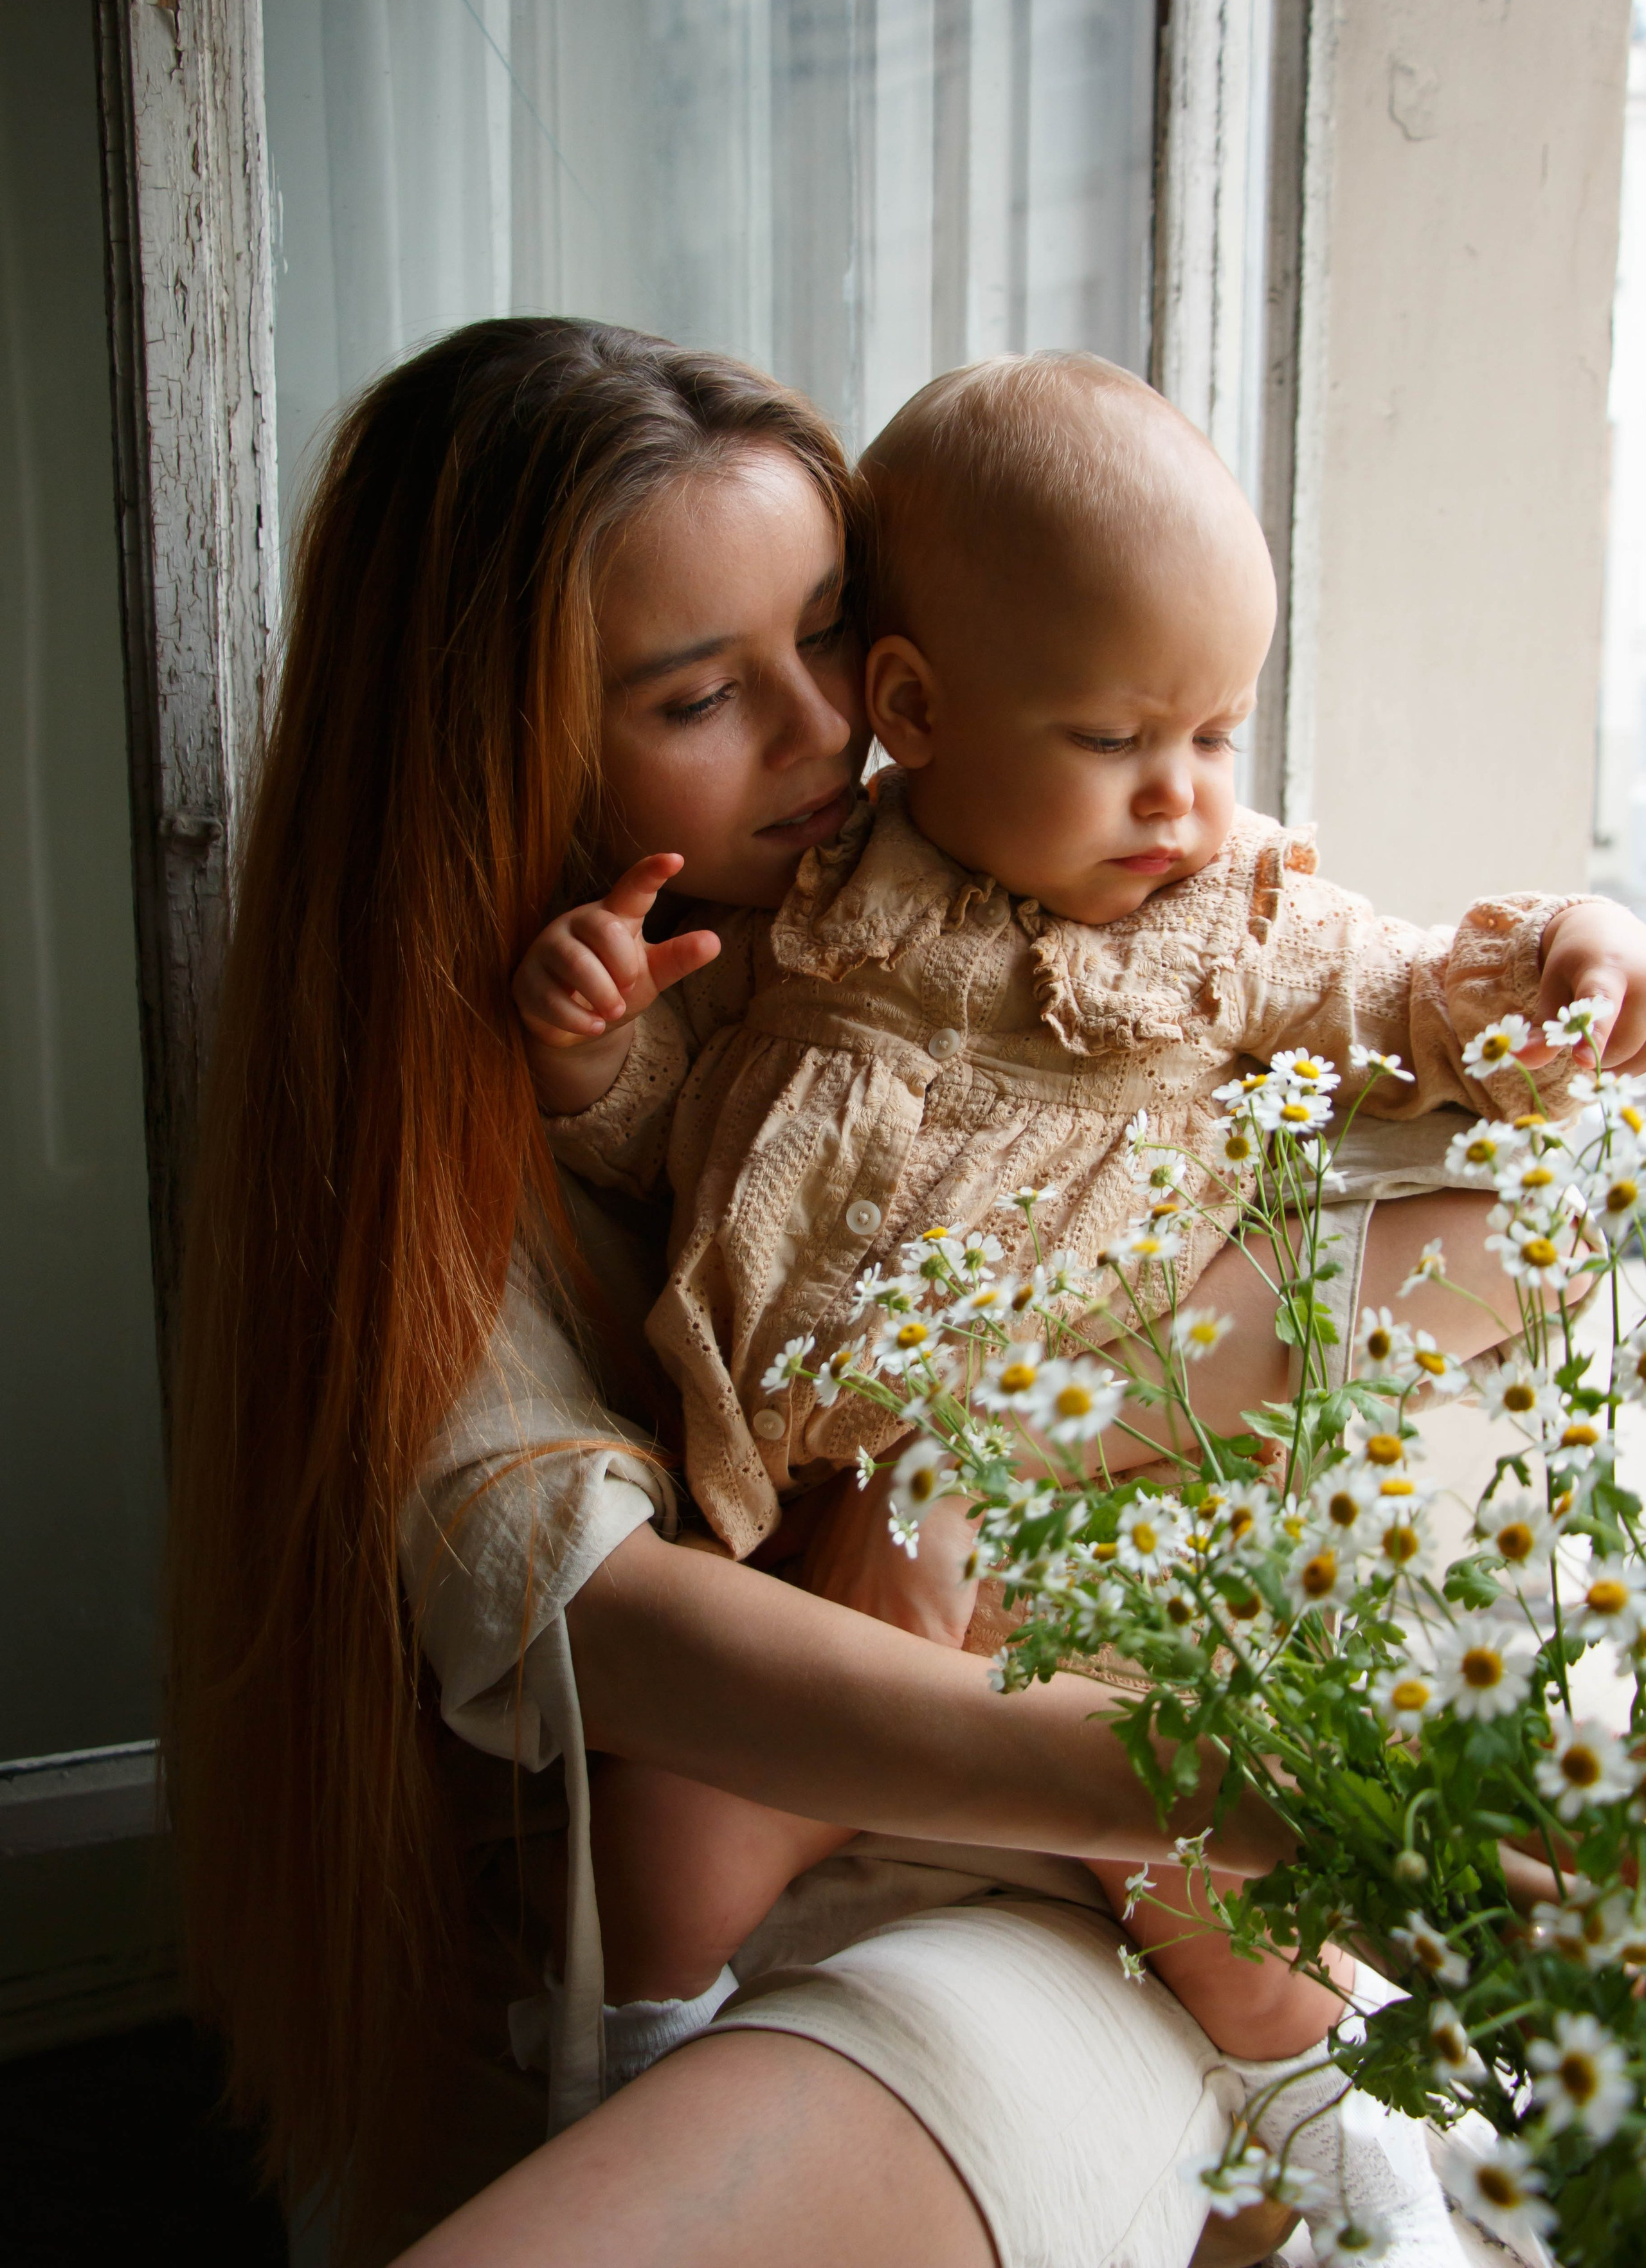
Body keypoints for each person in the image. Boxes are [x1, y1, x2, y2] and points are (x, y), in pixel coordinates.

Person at [161, 318, 1593, 2268]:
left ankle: (1364, 2162)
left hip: (1073, 1839)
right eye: (700, 696)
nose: (834, 730)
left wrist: (955, 1501)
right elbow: (585, 1606)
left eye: (834, 635)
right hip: (858, 1880)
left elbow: (1516, 1205)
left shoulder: (1115, 899)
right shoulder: (630, 1028)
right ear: (514, 749)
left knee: (1281, 2037)